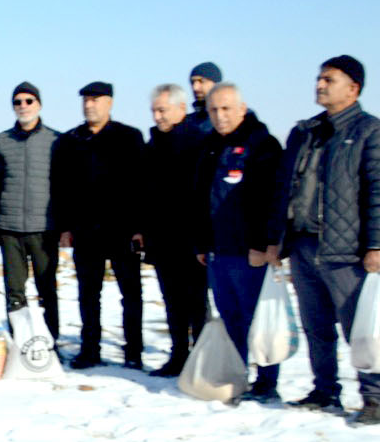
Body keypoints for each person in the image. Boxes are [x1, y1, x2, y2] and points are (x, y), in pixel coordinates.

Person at [276, 55, 380, 421]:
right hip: (304, 245)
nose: (319, 85)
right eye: (319, 78)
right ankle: (325, 390)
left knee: (360, 328)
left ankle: (374, 397)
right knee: (316, 326)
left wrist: (376, 245)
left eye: (329, 79)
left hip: (345, 250)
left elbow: (377, 191)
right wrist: (279, 239)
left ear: (353, 88)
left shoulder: (369, 131)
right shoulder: (306, 131)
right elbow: (285, 188)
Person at [193, 84, 284, 402]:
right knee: (230, 317)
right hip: (219, 250)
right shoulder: (209, 146)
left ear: (242, 108)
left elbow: (273, 198)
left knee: (256, 318)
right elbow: (202, 199)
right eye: (214, 110)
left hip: (250, 252)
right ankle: (236, 373)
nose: (220, 116)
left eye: (226, 109)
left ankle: (267, 381)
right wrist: (202, 244)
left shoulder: (262, 144)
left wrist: (265, 244)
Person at [54, 82, 147, 369]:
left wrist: (139, 227)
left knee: (131, 293)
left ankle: (133, 351)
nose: (89, 105)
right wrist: (65, 227)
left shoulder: (129, 137)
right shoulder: (71, 140)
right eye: (85, 100)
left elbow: (142, 184)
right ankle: (90, 349)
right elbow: (61, 187)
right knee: (88, 294)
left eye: (95, 100)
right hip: (86, 231)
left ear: (109, 103)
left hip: (122, 229)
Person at [145, 83, 208, 376]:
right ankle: (178, 354)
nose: (157, 116)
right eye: (154, 111)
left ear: (181, 109)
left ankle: (202, 357)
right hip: (162, 237)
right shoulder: (152, 145)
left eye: (162, 110)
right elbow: (143, 193)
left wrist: (202, 238)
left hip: (191, 238)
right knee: (172, 301)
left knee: (196, 301)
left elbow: (202, 194)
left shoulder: (198, 143)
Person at [0, 84, 60, 340]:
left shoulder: (55, 140)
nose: (23, 106)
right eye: (17, 102)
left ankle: (50, 340)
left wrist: (62, 225)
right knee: (14, 290)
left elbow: (62, 185)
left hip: (44, 227)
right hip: (10, 228)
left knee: (46, 288)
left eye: (29, 101)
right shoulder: (2, 140)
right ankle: (19, 341)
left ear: (39, 104)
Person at [186, 62, 222, 133]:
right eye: (193, 82)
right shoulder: (187, 123)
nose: (195, 88)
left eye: (201, 81)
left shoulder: (234, 118)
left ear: (216, 84)